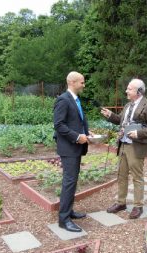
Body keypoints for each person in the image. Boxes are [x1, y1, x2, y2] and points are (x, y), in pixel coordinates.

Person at [101, 78, 147, 219]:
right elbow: (121, 121)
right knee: (121, 176)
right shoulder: (128, 105)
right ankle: (121, 203)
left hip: (137, 145)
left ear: (139, 91)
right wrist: (111, 116)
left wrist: (139, 133)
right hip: (123, 144)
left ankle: (138, 206)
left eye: (129, 89)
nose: (126, 91)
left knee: (137, 177)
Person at [53, 71, 89, 232]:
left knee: (72, 181)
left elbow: (76, 122)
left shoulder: (75, 99)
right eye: (81, 82)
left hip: (75, 147)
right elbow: (59, 125)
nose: (84, 85)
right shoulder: (63, 100)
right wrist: (76, 137)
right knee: (69, 182)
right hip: (69, 148)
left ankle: (69, 211)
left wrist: (87, 134)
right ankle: (64, 219)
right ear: (72, 82)